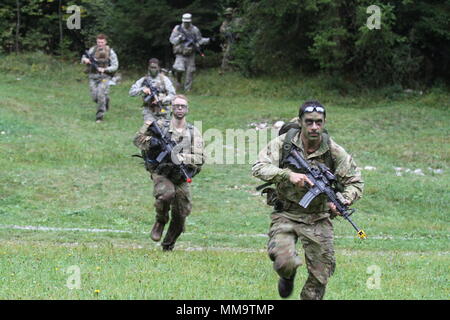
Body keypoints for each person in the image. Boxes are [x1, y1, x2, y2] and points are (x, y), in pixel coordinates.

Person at [252, 101, 364, 300]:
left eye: (318, 122)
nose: (314, 127)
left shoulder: (333, 150)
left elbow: (355, 182)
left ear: (324, 122)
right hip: (286, 213)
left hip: (318, 217)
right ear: (301, 122)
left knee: (321, 275)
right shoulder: (284, 144)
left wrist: (343, 200)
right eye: (309, 122)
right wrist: (287, 175)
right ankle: (288, 276)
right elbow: (259, 167)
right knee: (284, 262)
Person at [133, 94, 205, 251]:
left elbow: (200, 158)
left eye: (183, 106)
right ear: (171, 108)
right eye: (177, 105)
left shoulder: (193, 132)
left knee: (182, 214)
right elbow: (137, 140)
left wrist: (180, 157)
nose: (179, 108)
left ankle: (168, 245)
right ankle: (160, 220)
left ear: (187, 109)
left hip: (180, 176)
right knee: (166, 194)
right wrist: (151, 140)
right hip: (162, 172)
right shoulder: (160, 126)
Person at [81, 34, 119, 123]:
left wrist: (105, 69)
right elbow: (84, 57)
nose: (100, 44)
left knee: (101, 94)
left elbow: (115, 66)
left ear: (105, 42)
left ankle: (99, 117)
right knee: (95, 96)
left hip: (104, 77)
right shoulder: (92, 50)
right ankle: (106, 100)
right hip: (93, 77)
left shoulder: (110, 52)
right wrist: (85, 60)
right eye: (98, 42)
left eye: (102, 42)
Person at [169, 13, 210, 92]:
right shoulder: (177, 28)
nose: (186, 24)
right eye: (185, 22)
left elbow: (199, 40)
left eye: (188, 22)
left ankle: (187, 90)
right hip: (180, 53)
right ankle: (177, 81)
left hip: (190, 54)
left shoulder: (195, 29)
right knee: (179, 69)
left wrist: (206, 41)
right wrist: (179, 38)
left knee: (190, 71)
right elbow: (172, 40)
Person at [129, 58, 176, 122]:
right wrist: (142, 90)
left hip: (164, 110)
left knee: (164, 130)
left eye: (155, 67)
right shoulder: (143, 80)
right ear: (148, 68)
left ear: (158, 68)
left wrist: (162, 99)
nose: (153, 69)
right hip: (149, 111)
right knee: (150, 129)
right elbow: (131, 92)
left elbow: (173, 95)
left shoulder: (165, 80)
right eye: (151, 67)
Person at [219, 7, 240, 73]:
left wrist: (237, 34)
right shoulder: (225, 22)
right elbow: (221, 29)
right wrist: (224, 30)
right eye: (227, 14)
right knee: (227, 54)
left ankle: (235, 69)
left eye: (229, 14)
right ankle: (225, 69)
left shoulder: (237, 21)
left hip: (237, 41)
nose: (228, 16)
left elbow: (240, 30)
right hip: (229, 41)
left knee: (235, 55)